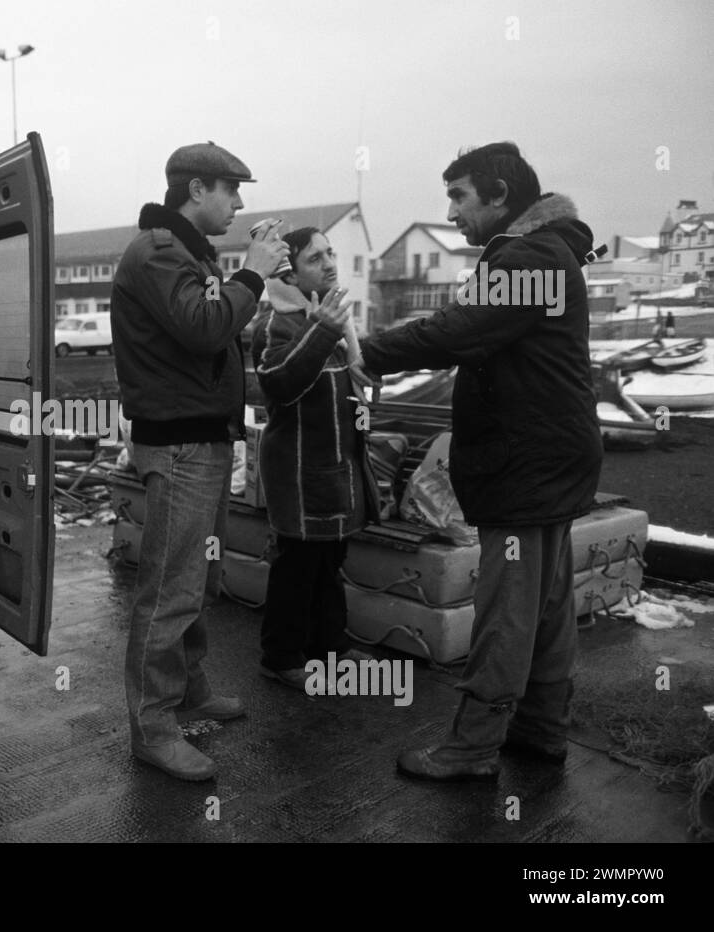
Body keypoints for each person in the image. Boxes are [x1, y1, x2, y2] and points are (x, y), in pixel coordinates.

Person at [356, 142, 602, 780]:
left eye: (459, 196)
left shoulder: (530, 257)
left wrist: (370, 352)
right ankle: (543, 729)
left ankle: (471, 748)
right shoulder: (547, 253)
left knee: (507, 609)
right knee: (546, 602)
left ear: (499, 195)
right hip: (553, 457)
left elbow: (460, 328)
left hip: (526, 462)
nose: (452, 211)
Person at [111, 142, 289, 781]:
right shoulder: (158, 251)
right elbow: (204, 327)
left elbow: (207, 339)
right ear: (195, 190)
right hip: (182, 445)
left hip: (204, 440)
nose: (238, 204)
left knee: (200, 578)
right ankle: (153, 729)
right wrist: (253, 274)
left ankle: (188, 688)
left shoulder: (185, 252)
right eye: (231, 191)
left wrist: (248, 279)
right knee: (170, 588)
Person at [251, 228, 378, 689]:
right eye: (313, 258)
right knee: (297, 566)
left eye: (330, 254)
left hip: (337, 467)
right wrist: (322, 329)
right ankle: (281, 656)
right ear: (290, 272)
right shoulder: (277, 324)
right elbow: (280, 382)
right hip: (300, 472)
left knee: (330, 560)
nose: (327, 263)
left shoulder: (337, 324)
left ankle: (331, 647)